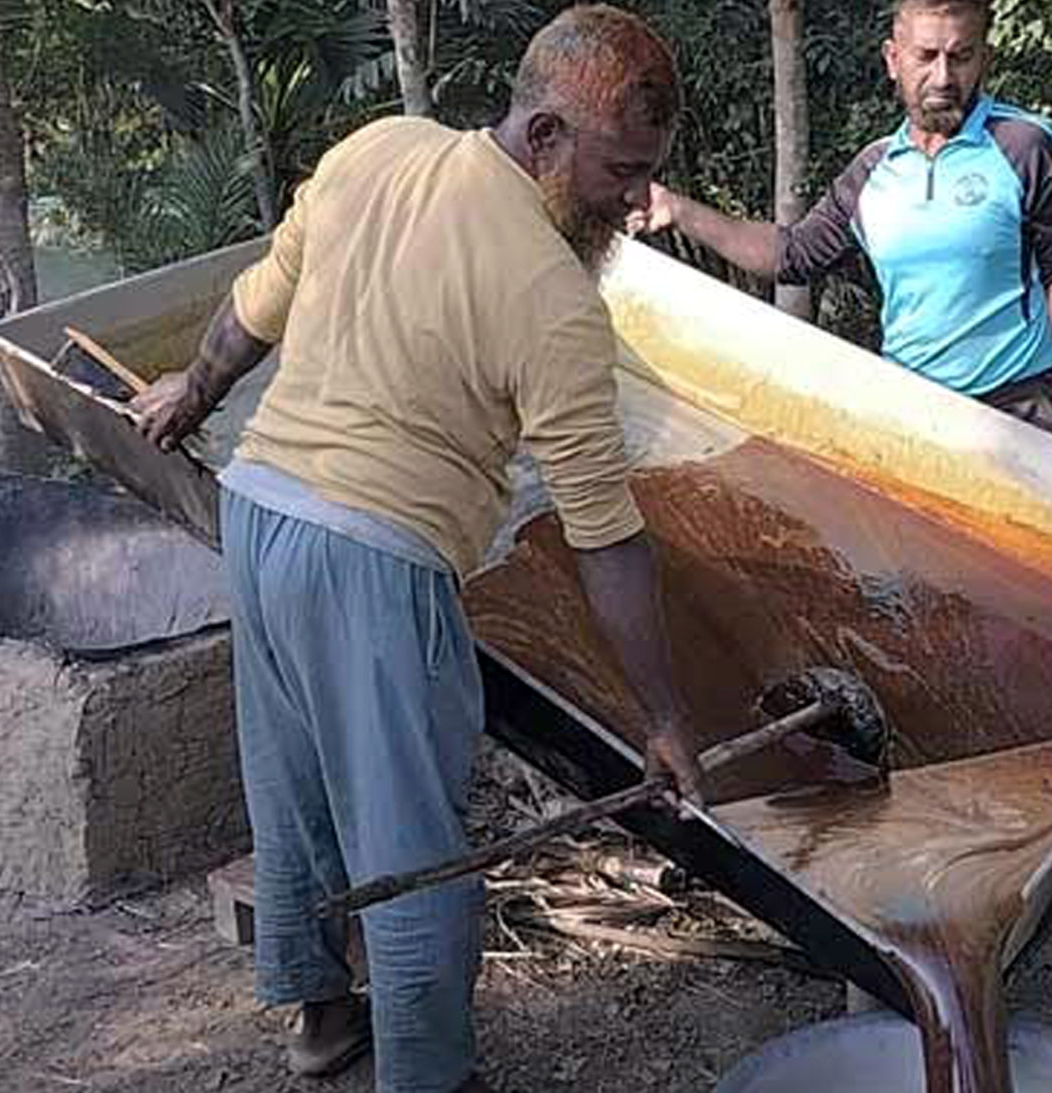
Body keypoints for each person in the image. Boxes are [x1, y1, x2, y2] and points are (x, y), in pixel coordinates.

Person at [130, 7, 703, 1091]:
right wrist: (663, 718)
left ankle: (319, 1019)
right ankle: (427, 1074)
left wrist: (189, 394)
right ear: (544, 135)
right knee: (414, 850)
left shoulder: (379, 148)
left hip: (259, 515)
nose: (635, 202)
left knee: (293, 793)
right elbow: (604, 536)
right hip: (373, 560)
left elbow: (257, 305)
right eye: (620, 172)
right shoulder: (554, 298)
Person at [631, 0, 1052, 441]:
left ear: (985, 58)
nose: (943, 77)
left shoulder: (1025, 145)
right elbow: (792, 255)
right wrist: (678, 209)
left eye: (960, 57)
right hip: (913, 411)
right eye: (926, 56)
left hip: (1025, 409)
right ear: (893, 59)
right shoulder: (872, 170)